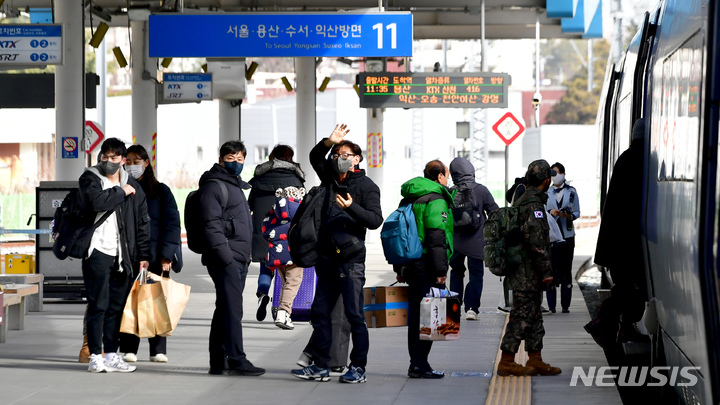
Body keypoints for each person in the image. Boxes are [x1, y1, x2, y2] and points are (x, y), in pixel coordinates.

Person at [291, 124, 383, 384]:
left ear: (357, 159)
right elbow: (314, 158)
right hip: (327, 258)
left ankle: (359, 367)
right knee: (319, 312)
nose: (340, 158)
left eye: (345, 155)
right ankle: (320, 365)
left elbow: (375, 220)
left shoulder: (367, 186)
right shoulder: (329, 179)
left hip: (351, 260)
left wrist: (353, 207)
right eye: (337, 154)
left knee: (354, 315)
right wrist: (329, 141)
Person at [78, 138, 151, 373]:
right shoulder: (90, 178)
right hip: (97, 251)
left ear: (122, 160)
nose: (108, 162)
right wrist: (121, 191)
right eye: (105, 157)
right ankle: (94, 356)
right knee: (97, 304)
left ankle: (111, 354)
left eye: (114, 158)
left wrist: (143, 255)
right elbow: (97, 201)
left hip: (124, 256)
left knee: (116, 307)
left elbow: (142, 222)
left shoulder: (134, 186)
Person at [199, 140, 265, 376]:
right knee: (233, 309)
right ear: (220, 160)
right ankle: (237, 359)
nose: (236, 163)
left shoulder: (235, 185)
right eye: (231, 158)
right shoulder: (214, 186)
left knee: (225, 308)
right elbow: (211, 225)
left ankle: (218, 360)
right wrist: (226, 256)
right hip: (226, 258)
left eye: (240, 159)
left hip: (238, 257)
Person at [118, 145, 183, 363]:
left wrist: (167, 255)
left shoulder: (161, 191)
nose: (132, 165)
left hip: (155, 257)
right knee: (129, 303)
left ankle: (158, 349)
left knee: (155, 302)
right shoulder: (121, 189)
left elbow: (172, 224)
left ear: (147, 163)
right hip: (129, 257)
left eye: (137, 161)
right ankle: (129, 348)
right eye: (128, 161)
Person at [497, 159, 561, 376]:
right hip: (527, 273)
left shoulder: (525, 200)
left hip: (526, 271)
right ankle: (506, 361)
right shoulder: (533, 206)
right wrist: (546, 272)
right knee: (521, 317)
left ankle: (536, 359)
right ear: (546, 180)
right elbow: (537, 243)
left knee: (534, 317)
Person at [589, 118, 648, 345]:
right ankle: (604, 324)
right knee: (629, 290)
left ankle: (620, 328)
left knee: (627, 290)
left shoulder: (626, 157)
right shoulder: (637, 160)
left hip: (616, 243)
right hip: (625, 244)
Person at [394, 159, 455, 379]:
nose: (448, 180)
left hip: (411, 264)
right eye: (446, 175)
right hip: (428, 266)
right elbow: (436, 237)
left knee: (416, 317)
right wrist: (441, 270)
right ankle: (420, 364)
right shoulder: (437, 199)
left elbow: (401, 233)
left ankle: (417, 362)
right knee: (430, 319)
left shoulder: (409, 197)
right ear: (439, 177)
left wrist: (399, 268)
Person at [248, 144, 305, 324]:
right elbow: (301, 207)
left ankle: (263, 294)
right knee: (289, 273)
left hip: (265, 232)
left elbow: (251, 206)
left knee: (267, 267)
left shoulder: (258, 179)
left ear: (272, 157)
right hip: (286, 235)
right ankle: (282, 310)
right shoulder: (296, 179)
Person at [448, 157, 498, 321]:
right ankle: (472, 309)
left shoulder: (450, 192)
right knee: (476, 275)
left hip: (456, 241)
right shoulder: (481, 190)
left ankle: (454, 309)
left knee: (456, 273)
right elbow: (495, 212)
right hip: (477, 240)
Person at [545, 162, 580, 313]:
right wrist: (550, 213)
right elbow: (542, 211)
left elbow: (577, 212)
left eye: (557, 173)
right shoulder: (546, 192)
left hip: (567, 235)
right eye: (552, 173)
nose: (555, 176)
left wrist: (568, 215)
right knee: (550, 269)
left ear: (563, 174)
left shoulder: (571, 192)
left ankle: (565, 305)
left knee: (567, 270)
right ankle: (551, 306)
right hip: (552, 236)